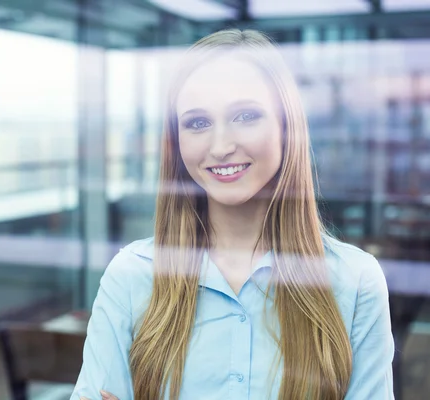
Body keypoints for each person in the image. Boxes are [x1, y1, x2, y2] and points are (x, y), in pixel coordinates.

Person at [71, 29, 394, 400]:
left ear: (286, 127)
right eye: (198, 122)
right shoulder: (131, 276)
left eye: (245, 115)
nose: (221, 146)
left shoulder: (355, 282)